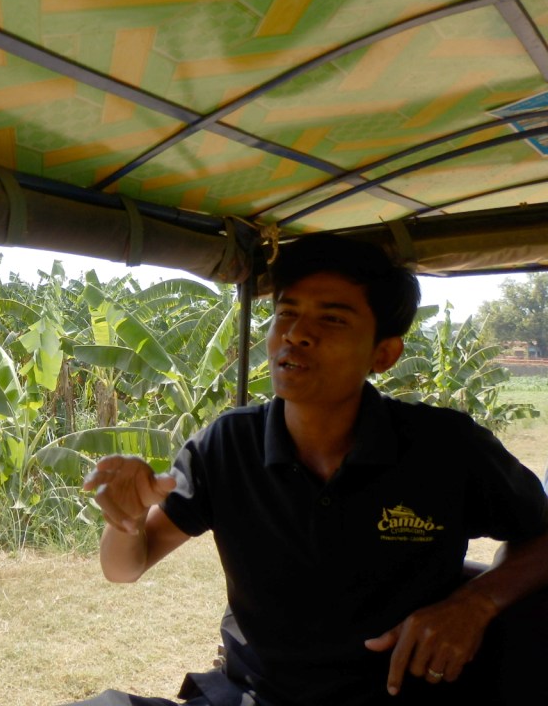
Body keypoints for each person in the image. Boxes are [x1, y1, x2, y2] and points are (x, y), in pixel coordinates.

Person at [70, 234, 548, 706]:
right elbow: (124, 568)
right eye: (287, 313)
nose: (296, 333)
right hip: (253, 697)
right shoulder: (229, 444)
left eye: (333, 319)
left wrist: (476, 602)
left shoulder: (444, 446)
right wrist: (126, 521)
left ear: (384, 354)